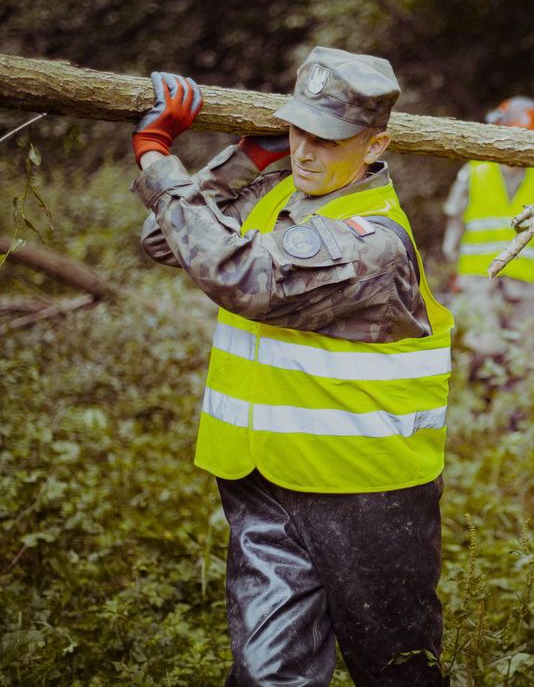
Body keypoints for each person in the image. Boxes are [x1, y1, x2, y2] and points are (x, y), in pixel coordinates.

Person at [130, 48, 453, 685]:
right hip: (262, 484)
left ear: (374, 143)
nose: (304, 152)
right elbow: (165, 238)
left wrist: (155, 154)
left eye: (327, 139)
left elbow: (238, 272)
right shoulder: (279, 192)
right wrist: (246, 160)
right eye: (297, 131)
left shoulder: (374, 240)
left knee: (399, 675)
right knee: (266, 676)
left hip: (367, 498)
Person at [441, 96, 534, 362]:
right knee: (481, 351)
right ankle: (482, 402)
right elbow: (454, 225)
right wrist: (453, 272)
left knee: (520, 359)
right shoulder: (474, 172)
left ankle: (513, 403)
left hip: (525, 284)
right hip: (477, 280)